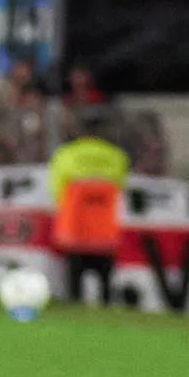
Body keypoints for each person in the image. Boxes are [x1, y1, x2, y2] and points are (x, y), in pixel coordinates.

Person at [47, 115, 132, 307]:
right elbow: (122, 187)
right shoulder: (116, 156)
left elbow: (56, 191)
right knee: (105, 284)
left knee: (75, 284)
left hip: (75, 231)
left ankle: (75, 315)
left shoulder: (65, 154)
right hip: (104, 233)